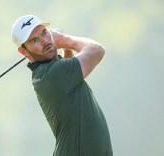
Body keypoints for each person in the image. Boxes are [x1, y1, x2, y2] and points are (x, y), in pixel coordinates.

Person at [11, 15, 113, 156]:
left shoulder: (49, 72)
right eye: (34, 40)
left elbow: (70, 75)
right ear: (23, 51)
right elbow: (97, 51)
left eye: (44, 33)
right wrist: (65, 40)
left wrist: (63, 47)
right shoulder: (51, 75)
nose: (45, 41)